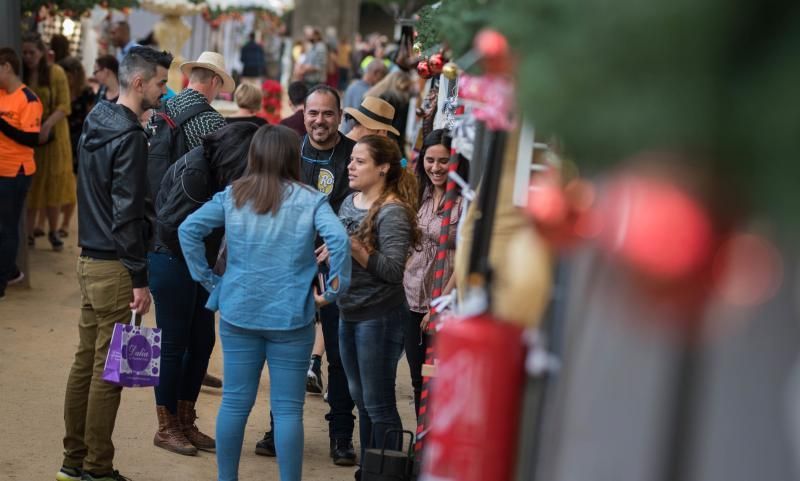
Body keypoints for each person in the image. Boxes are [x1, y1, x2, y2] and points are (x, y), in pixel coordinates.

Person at [178, 124, 351, 481]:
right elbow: (339, 241)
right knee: (288, 410)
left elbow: (188, 230)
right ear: (293, 157)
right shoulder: (310, 199)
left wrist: (210, 281)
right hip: (292, 315)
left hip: (238, 310)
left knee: (235, 403)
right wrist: (333, 290)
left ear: (254, 155)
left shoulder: (234, 194)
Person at [57, 46, 171, 481]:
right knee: (109, 373)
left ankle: (74, 462)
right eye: (160, 82)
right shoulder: (129, 136)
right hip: (116, 265)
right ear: (139, 83)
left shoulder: (96, 120)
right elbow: (127, 213)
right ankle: (97, 468)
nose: (164, 90)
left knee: (86, 362)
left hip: (90, 258)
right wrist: (140, 278)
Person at [255, 85, 358, 466]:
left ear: (340, 115)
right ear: (303, 112)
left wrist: (341, 240)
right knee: (287, 354)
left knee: (338, 353)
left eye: (328, 114)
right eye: (313, 113)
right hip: (290, 266)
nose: (319, 121)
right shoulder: (289, 149)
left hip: (335, 268)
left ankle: (341, 436)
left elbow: (361, 207)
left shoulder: (351, 154)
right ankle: (277, 430)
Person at [150, 122, 259, 456]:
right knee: (173, 345)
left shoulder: (214, 169)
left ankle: (185, 420)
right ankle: (166, 426)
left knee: (201, 342)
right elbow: (171, 229)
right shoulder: (197, 172)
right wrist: (202, 269)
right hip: (171, 264)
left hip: (196, 266)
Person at [337, 135, 419, 479]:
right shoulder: (349, 202)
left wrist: (355, 248)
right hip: (349, 310)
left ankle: (386, 473)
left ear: (383, 167)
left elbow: (392, 271)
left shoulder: (393, 211)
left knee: (379, 402)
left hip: (379, 316)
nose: (350, 166)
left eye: (360, 161)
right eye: (351, 160)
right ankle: (368, 469)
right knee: (361, 397)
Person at [403, 129, 468, 415]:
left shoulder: (466, 202)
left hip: (445, 298)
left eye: (443, 161)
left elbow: (465, 256)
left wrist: (440, 302)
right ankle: (420, 444)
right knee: (418, 378)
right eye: (430, 160)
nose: (436, 168)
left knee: (439, 378)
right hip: (411, 297)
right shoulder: (418, 193)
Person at [21, 32, 74, 252]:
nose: (28, 57)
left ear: (42, 52)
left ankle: (53, 231)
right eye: (24, 53)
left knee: (54, 183)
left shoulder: (56, 72)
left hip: (54, 135)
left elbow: (64, 106)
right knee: (32, 184)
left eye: (32, 52)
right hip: (30, 137)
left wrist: (47, 125)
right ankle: (30, 231)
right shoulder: (22, 74)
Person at [0, 48, 42, 300]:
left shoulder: (29, 99)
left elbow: (30, 139)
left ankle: (3, 281)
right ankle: (11, 270)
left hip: (16, 172)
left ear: (6, 67)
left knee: (6, 228)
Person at [57, 56, 94, 237]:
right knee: (61, 180)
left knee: (74, 183)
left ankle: (65, 224)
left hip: (79, 139)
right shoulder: (60, 90)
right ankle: (57, 221)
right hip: (61, 137)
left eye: (68, 75)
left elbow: (91, 116)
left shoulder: (86, 92)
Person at [364, 71, 413, 154]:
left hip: (371, 140)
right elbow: (399, 130)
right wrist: (404, 164)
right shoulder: (401, 100)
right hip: (390, 143)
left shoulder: (375, 96)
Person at [341, 59, 387, 134]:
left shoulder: (352, 86)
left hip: (348, 133)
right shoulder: (368, 92)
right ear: (376, 73)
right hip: (356, 136)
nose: (382, 81)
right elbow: (359, 119)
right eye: (382, 77)